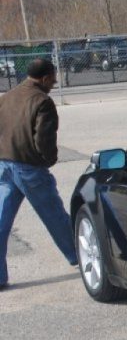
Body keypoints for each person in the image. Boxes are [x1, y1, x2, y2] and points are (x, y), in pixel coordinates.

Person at [0, 58, 78, 290]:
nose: (54, 83)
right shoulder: (42, 101)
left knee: (1, 221)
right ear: (44, 78)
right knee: (54, 216)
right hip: (29, 168)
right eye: (53, 79)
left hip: (4, 165)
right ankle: (82, 257)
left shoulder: (7, 97)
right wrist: (49, 160)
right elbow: (44, 138)